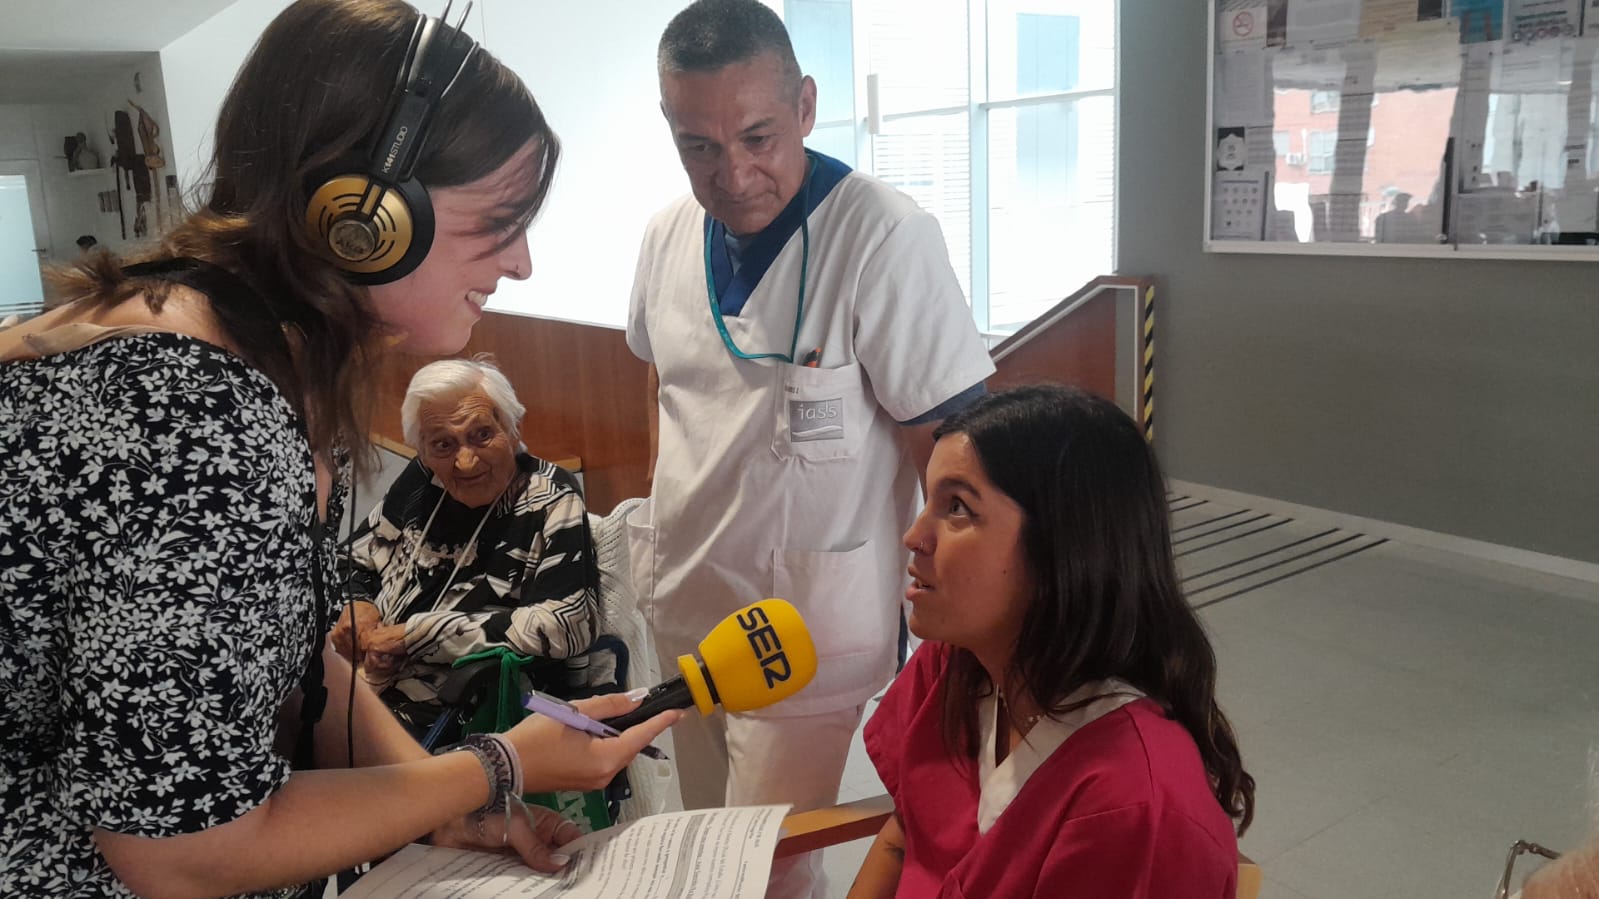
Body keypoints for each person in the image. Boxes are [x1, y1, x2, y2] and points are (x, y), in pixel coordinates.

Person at [0, 2, 678, 896]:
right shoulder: (194, 425)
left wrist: (440, 805)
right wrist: (495, 765)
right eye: (498, 221)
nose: (520, 263)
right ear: (363, 217)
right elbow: (177, 846)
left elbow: (289, 650)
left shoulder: (186, 342)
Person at [626, 1, 995, 895]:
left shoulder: (882, 235)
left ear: (805, 104)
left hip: (807, 622)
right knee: (703, 847)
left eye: (756, 135)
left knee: (767, 873)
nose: (734, 172)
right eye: (699, 146)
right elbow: (666, 389)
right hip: (686, 602)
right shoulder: (667, 234)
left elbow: (948, 450)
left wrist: (968, 627)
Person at [849, 385, 1256, 899]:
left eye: (957, 508)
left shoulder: (1136, 806)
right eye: (929, 501)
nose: (915, 535)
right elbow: (902, 838)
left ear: (1064, 545)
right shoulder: (953, 664)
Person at [334, 357, 601, 739]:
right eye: (443, 445)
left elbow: (568, 624)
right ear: (422, 450)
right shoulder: (423, 480)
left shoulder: (550, 498)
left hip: (465, 708)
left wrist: (416, 635)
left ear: (512, 429)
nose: (465, 460)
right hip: (366, 682)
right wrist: (357, 603)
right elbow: (353, 557)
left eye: (482, 435)